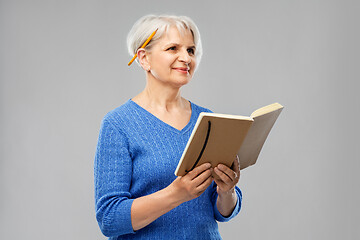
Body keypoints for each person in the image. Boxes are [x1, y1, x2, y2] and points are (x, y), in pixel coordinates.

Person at [94, 14, 242, 240]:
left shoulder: (207, 119)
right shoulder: (118, 124)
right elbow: (110, 219)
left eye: (191, 50)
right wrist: (176, 194)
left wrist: (227, 190)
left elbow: (222, 212)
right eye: (173, 48)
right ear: (144, 58)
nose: (186, 58)